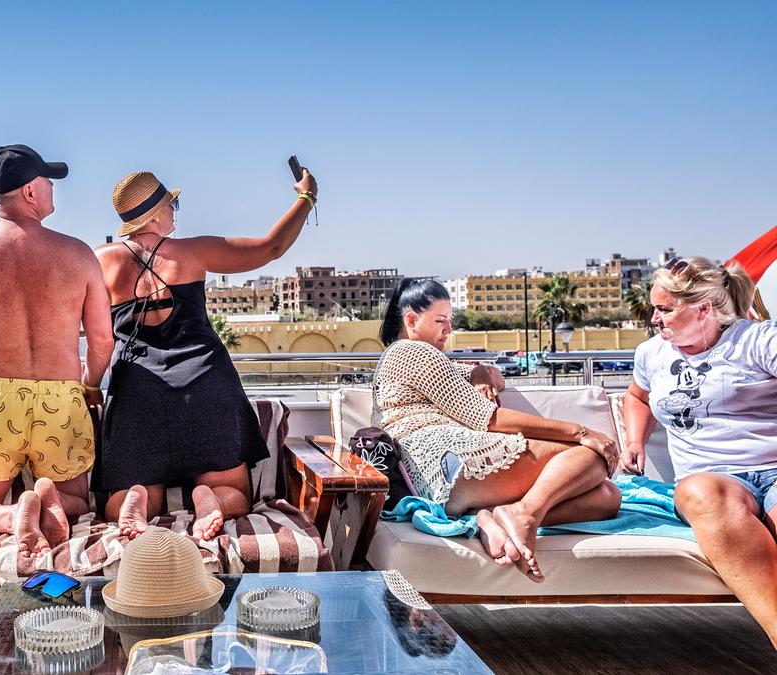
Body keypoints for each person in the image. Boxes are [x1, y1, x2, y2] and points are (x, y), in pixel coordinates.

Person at [92, 168, 318, 541]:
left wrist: (89, 384)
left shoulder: (100, 259)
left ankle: (136, 497)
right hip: (204, 381)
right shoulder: (192, 251)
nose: (175, 211)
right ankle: (209, 498)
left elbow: (95, 335)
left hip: (137, 388)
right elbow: (270, 247)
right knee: (236, 494)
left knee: (123, 497)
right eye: (171, 204)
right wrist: (306, 199)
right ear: (152, 215)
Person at [0, 145, 113, 560]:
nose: (52, 188)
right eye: (48, 180)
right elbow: (103, 342)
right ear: (31, 192)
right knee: (76, 504)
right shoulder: (79, 255)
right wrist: (88, 387)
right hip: (61, 398)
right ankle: (47, 501)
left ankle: (11, 517)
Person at [375, 278, 621, 581]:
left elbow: (493, 375)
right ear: (411, 320)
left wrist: (481, 371)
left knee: (607, 497)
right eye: (440, 321)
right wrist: (580, 432)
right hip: (443, 460)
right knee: (590, 457)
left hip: (437, 479)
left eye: (450, 321)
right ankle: (524, 513)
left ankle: (493, 515)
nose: (448, 330)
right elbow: (489, 419)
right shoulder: (414, 353)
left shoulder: (415, 358)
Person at [619, 256, 777, 647]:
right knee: (699, 493)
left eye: (664, 309)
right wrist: (635, 441)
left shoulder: (757, 340)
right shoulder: (652, 354)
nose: (654, 319)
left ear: (704, 308)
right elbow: (637, 396)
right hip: (711, 479)